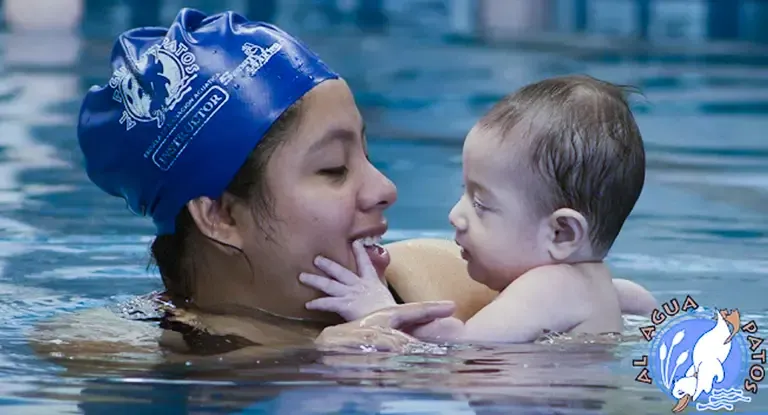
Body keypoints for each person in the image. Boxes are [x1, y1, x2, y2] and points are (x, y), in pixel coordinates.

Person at [33, 8, 657, 363]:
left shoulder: (450, 282)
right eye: (334, 167)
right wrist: (308, 360)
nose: (384, 188)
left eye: (367, 152)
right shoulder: (128, 351)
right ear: (219, 215)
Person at [300, 75, 651, 343]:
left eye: (481, 204)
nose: (456, 215)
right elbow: (650, 313)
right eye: (464, 193)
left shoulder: (549, 287)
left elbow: (460, 349)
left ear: (561, 233)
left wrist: (380, 310)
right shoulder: (614, 291)